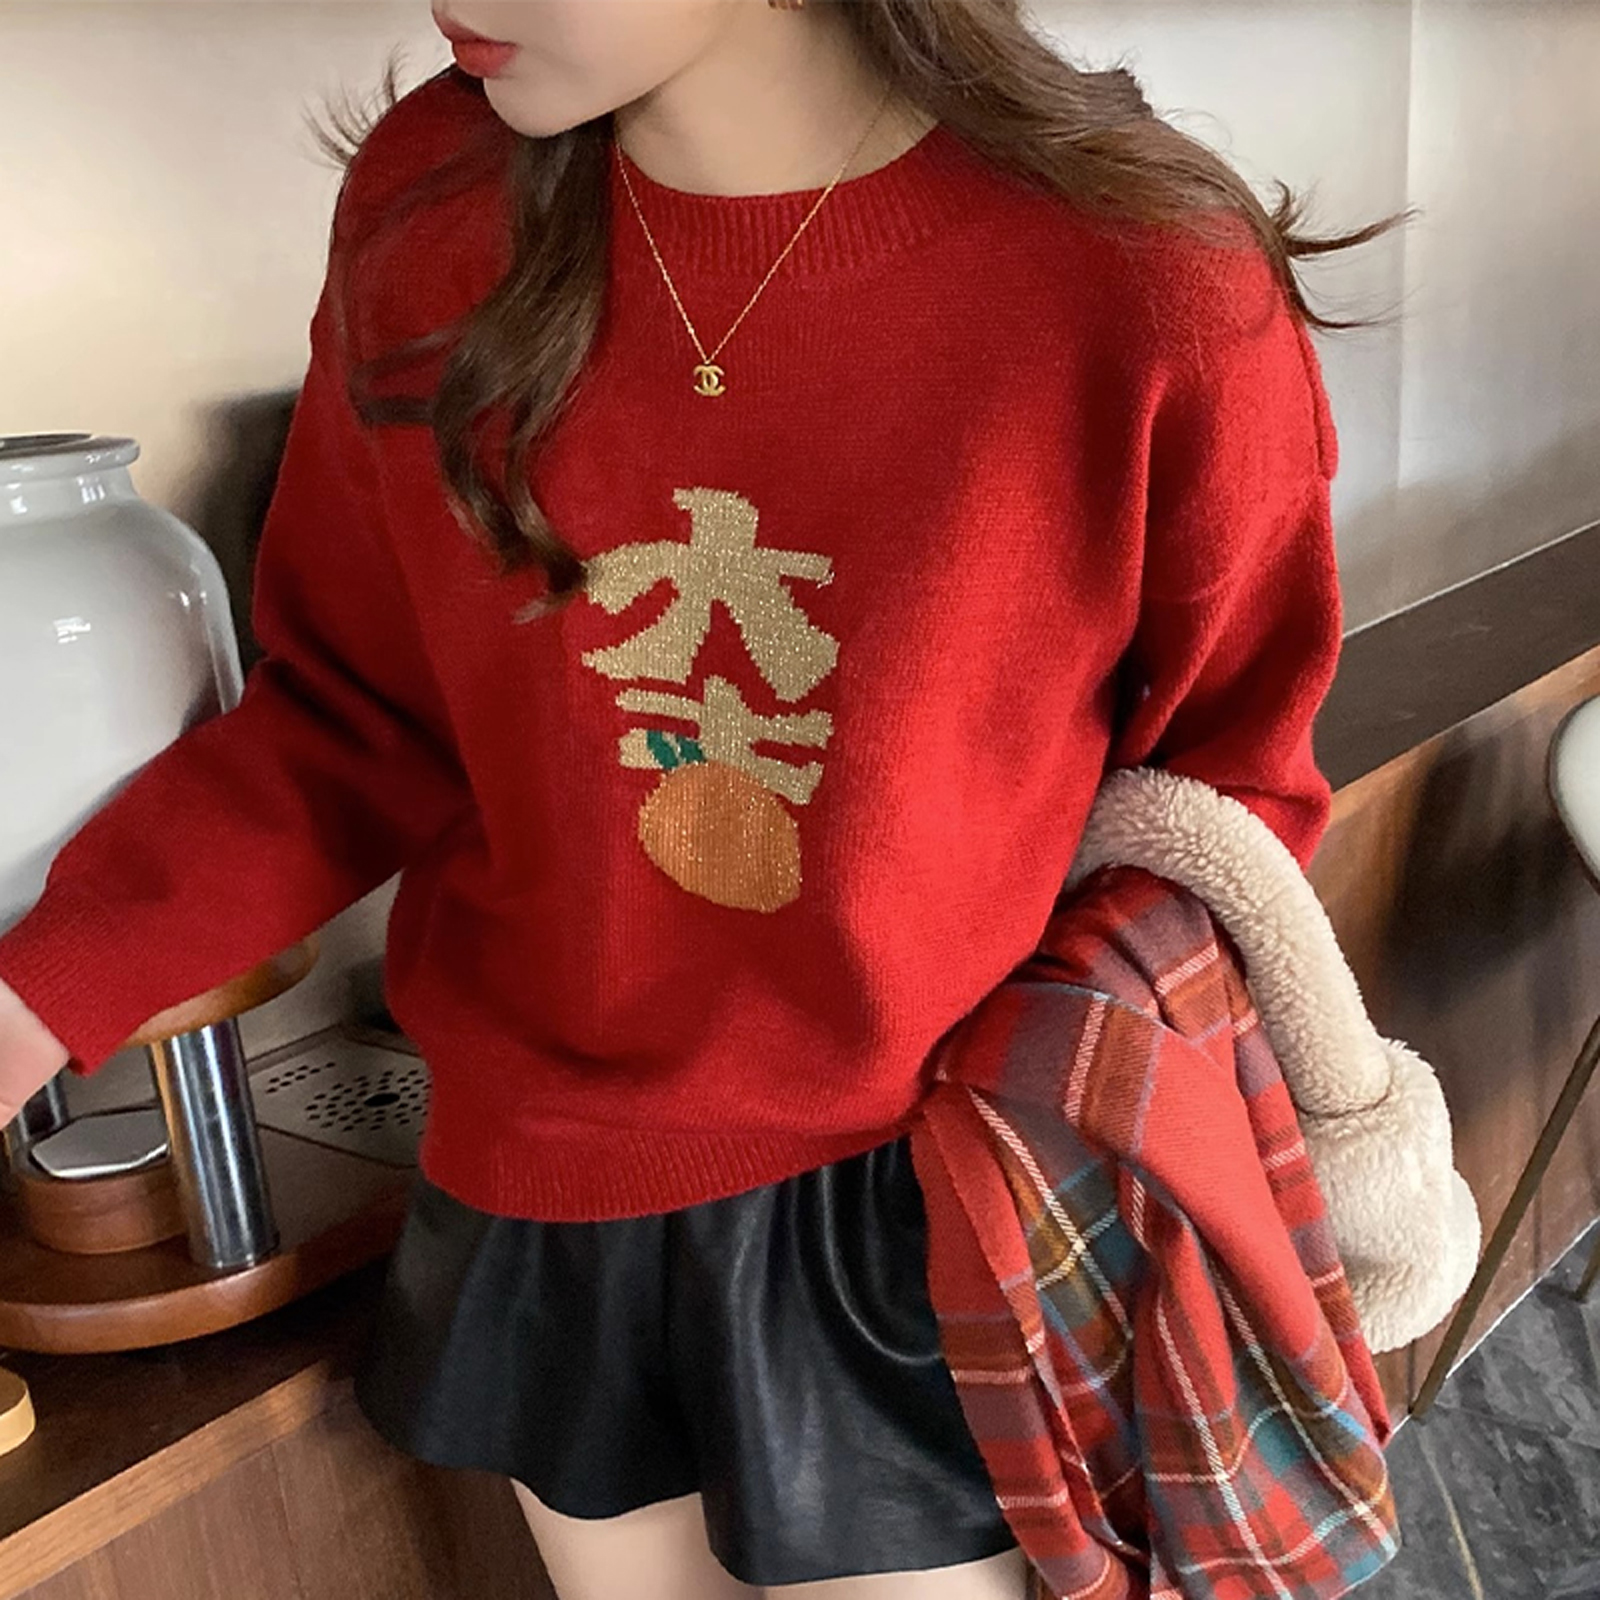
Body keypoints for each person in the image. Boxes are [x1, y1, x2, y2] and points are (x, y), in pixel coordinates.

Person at [0, 2, 1409, 1596]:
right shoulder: (435, 205)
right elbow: (357, 712)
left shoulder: (1142, 278)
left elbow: (1222, 801)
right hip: (545, 1178)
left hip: (930, 1196)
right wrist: (44, 993)